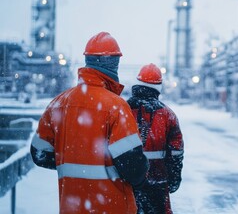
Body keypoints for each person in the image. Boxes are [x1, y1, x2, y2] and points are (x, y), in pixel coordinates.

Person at [30, 32, 149, 213]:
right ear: (114, 63)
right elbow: (134, 168)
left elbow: (39, 153)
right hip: (112, 207)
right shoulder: (116, 107)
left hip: (72, 207)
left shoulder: (58, 104)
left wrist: (73, 160)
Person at [127, 63, 184, 214]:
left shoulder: (122, 110)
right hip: (158, 182)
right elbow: (176, 152)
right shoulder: (167, 115)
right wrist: (174, 177)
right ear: (158, 87)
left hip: (127, 182)